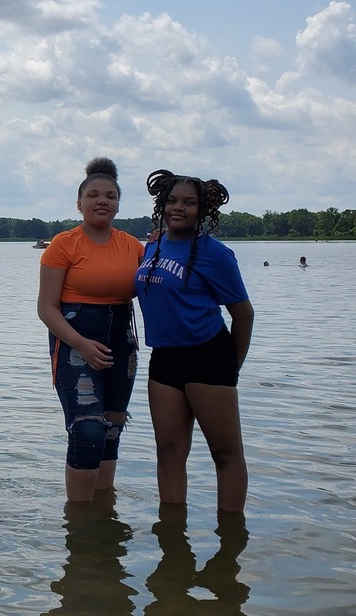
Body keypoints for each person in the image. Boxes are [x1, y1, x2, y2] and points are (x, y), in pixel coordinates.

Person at [135, 170, 254, 514]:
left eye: (189, 203)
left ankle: (230, 533)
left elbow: (243, 314)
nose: (179, 208)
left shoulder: (215, 254)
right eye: (172, 201)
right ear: (162, 204)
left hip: (209, 357)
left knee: (225, 454)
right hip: (164, 359)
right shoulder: (153, 245)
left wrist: (231, 368)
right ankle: (172, 532)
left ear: (202, 210)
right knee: (168, 451)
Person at [37, 158, 144, 502]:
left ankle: (105, 512)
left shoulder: (134, 246)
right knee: (87, 430)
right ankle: (79, 517)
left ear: (119, 205)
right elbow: (46, 308)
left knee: (112, 428)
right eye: (93, 195)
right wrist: (81, 344)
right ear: (79, 203)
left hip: (120, 342)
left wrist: (164, 244)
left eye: (110, 196)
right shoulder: (63, 244)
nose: (102, 201)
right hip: (74, 341)